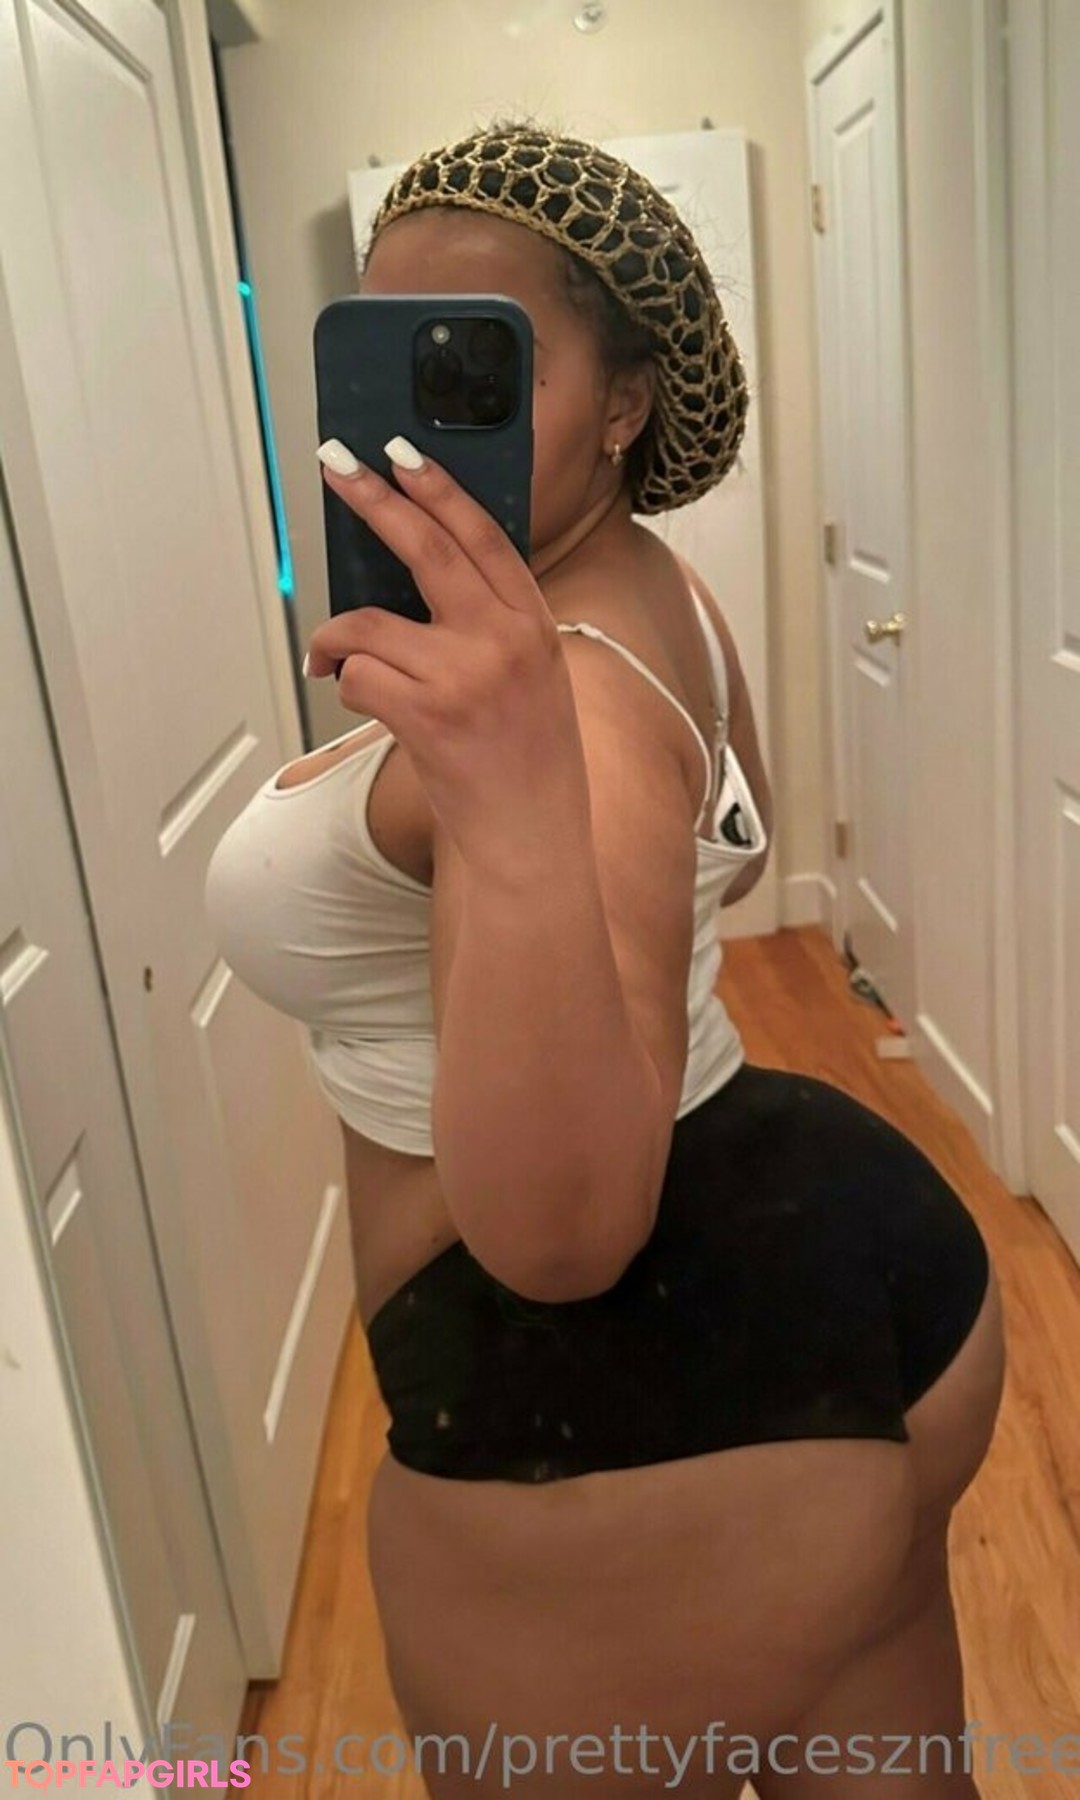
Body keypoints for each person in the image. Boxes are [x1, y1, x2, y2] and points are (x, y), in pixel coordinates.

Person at [204, 122, 1006, 1798]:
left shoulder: (560, 692)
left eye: (479, 365)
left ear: (626, 403)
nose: (412, 417)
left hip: (630, 1417)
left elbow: (566, 1240)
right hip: (840, 1277)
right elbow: (745, 839)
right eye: (387, 348)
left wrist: (511, 792)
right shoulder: (652, 591)